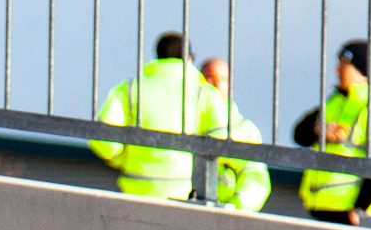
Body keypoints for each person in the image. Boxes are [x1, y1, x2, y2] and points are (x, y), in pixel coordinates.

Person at [92, 33, 270, 211]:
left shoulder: (130, 88)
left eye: (222, 79)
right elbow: (221, 144)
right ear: (190, 60)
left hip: (136, 191)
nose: (216, 84)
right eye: (210, 78)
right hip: (185, 196)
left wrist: (126, 159)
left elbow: (103, 141)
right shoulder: (202, 93)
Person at [295, 39, 371, 224]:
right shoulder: (334, 102)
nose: (337, 69)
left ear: (361, 69)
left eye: (344, 64)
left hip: (353, 215)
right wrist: (317, 130)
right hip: (320, 207)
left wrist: (359, 209)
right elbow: (299, 134)